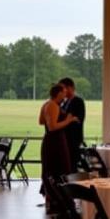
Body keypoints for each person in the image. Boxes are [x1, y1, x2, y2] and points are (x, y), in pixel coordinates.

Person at [39, 83, 75, 211]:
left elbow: (41, 121)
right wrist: (68, 120)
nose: (66, 94)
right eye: (64, 92)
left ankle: (53, 200)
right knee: (59, 170)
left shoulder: (46, 104)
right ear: (59, 93)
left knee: (51, 170)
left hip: (49, 141)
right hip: (56, 142)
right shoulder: (53, 105)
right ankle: (58, 202)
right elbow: (52, 127)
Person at [58, 77, 85, 165]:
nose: (62, 91)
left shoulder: (78, 101)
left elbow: (77, 120)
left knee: (72, 164)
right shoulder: (64, 102)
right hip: (64, 139)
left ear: (70, 88)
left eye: (63, 88)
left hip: (73, 139)